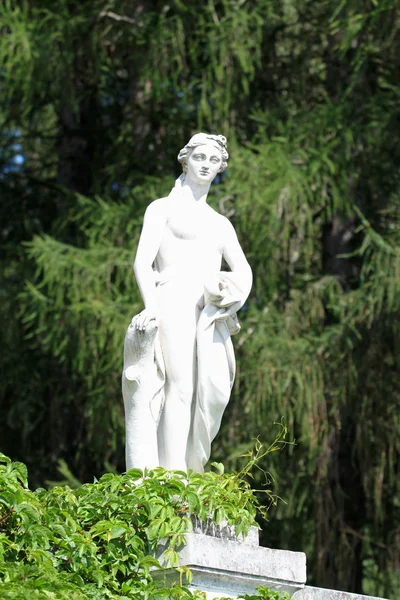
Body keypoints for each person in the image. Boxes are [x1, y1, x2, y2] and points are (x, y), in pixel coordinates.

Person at [122, 133, 252, 473]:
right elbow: (142, 262)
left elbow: (243, 271)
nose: (206, 164)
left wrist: (227, 291)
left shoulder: (220, 223)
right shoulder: (162, 208)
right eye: (199, 157)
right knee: (180, 387)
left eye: (213, 160)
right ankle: (174, 474)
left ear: (220, 167)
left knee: (210, 393)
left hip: (208, 313)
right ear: (186, 160)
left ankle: (191, 469)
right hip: (173, 298)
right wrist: (150, 306)